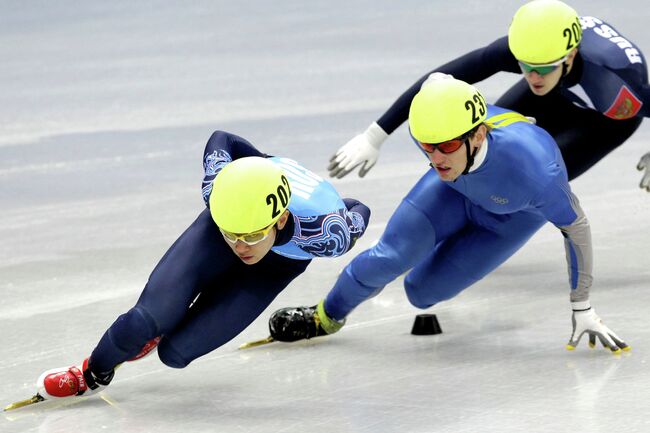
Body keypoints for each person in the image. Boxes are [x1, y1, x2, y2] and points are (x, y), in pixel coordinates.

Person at [269, 76, 629, 353]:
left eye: (447, 146)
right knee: (388, 258)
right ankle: (325, 317)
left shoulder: (537, 172)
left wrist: (581, 304)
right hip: (453, 192)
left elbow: (576, 229)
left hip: (511, 217)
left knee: (420, 292)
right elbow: (439, 80)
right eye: (427, 146)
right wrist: (374, 136)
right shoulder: (437, 130)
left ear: (479, 135)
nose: (436, 157)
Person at [33, 130, 370, 401]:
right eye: (232, 235)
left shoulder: (327, 234)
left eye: (250, 236)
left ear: (280, 220)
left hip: (277, 266)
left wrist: (339, 208)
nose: (240, 246)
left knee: (175, 354)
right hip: (217, 230)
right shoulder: (217, 191)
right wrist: (252, 167)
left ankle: (169, 327)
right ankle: (91, 374)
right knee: (141, 321)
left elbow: (359, 207)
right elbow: (223, 138)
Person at [328, 0, 650, 191]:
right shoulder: (528, 50)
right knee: (472, 143)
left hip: (611, 120)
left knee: (534, 178)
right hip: (557, 93)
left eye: (543, 67)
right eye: (526, 66)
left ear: (569, 55)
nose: (533, 76)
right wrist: (374, 136)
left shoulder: (620, 79)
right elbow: (442, 79)